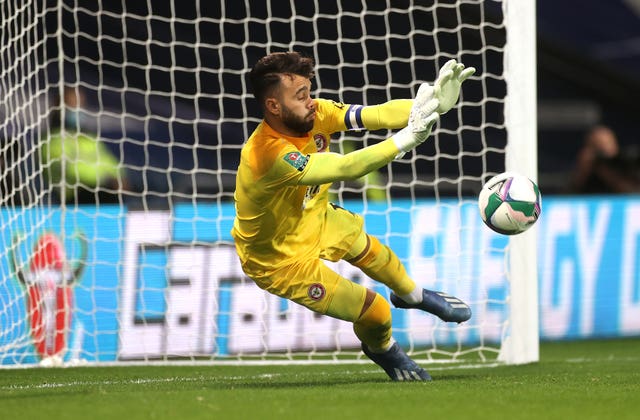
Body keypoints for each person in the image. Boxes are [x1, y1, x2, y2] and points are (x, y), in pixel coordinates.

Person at [231, 52, 474, 381]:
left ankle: (413, 295)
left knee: (375, 253)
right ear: (274, 106)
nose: (311, 101)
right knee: (376, 312)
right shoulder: (265, 153)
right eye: (300, 96)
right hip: (279, 259)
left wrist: (431, 103)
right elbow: (346, 167)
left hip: (316, 217)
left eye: (309, 90)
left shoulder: (318, 112)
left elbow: (377, 114)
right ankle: (383, 349)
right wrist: (404, 141)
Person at [42, 86, 127, 204]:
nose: (78, 110)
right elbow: (68, 170)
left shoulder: (90, 139)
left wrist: (118, 178)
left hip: (105, 193)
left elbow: (112, 163)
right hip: (73, 199)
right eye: (73, 105)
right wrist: (104, 179)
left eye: (81, 104)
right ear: (59, 108)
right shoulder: (53, 141)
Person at [569, 125, 640, 194]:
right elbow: (568, 195)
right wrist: (583, 169)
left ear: (616, 145)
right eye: (597, 145)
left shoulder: (625, 163)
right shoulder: (586, 165)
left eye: (607, 144)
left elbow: (634, 194)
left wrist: (608, 173)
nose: (603, 150)